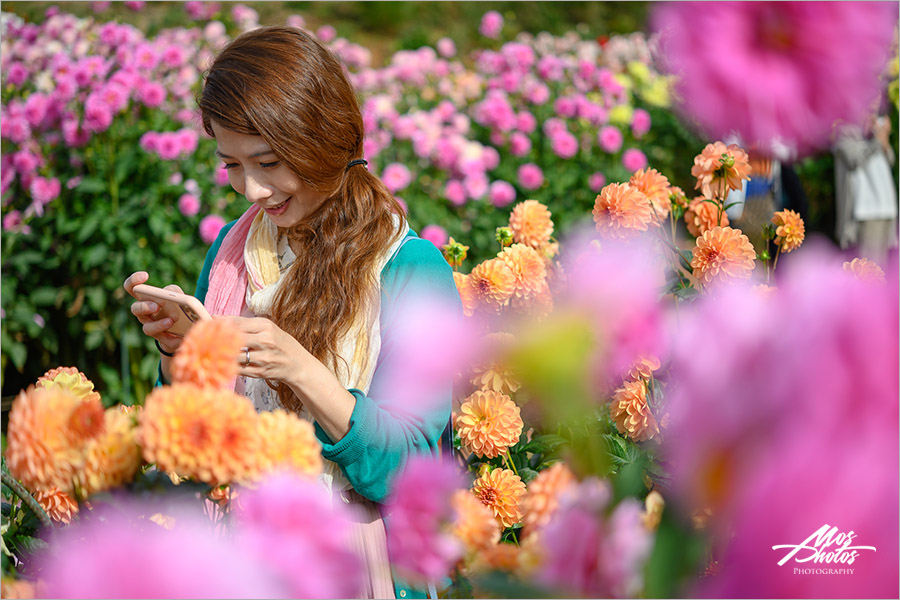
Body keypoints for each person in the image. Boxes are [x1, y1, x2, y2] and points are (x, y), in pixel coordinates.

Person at [124, 26, 459, 600]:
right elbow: (194, 436)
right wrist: (180, 352)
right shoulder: (232, 254)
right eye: (231, 165)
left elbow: (411, 472)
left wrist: (302, 372)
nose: (251, 189)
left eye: (269, 162)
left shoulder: (410, 270)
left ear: (324, 142)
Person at [833, 109, 898, 265]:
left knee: (884, 270)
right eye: (868, 110)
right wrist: (876, 139)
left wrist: (884, 139)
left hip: (887, 209)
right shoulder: (845, 131)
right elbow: (853, 159)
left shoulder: (874, 134)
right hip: (867, 212)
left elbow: (891, 160)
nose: (873, 116)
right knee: (867, 270)